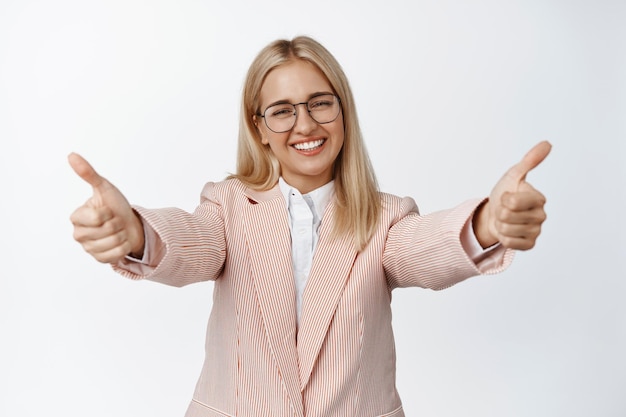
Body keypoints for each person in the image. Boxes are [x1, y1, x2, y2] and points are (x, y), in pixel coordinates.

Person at [69, 36, 550, 417]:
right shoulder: (228, 204)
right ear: (259, 128)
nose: (305, 125)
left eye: (321, 103)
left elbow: (427, 250)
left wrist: (489, 222)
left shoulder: (385, 216)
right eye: (282, 110)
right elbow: (188, 241)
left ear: (343, 112)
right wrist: (132, 231)